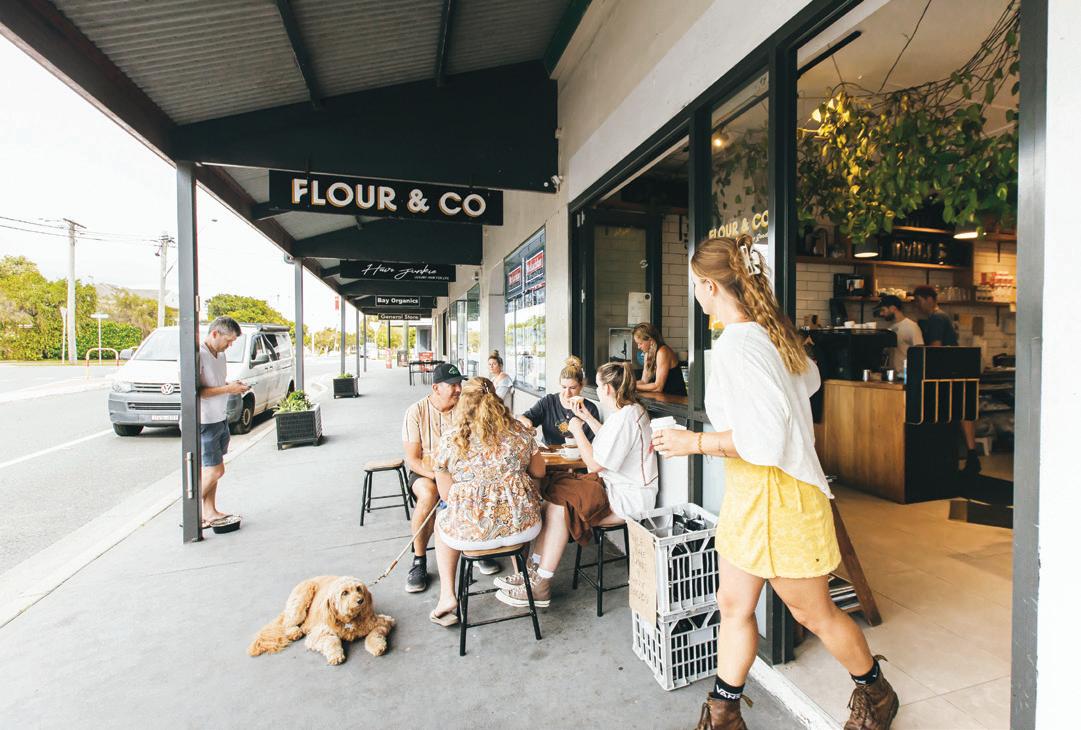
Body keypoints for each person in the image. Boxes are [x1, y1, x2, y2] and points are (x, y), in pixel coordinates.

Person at [651, 235, 897, 730]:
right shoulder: (767, 335)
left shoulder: (739, 346)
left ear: (709, 286)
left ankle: (877, 693)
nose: (696, 294)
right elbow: (810, 382)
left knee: (815, 614)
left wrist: (692, 442)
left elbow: (763, 441)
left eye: (695, 285)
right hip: (753, 496)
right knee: (733, 605)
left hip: (782, 497)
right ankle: (723, 714)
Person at [495, 362, 658, 609]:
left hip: (629, 498)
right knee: (553, 497)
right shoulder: (629, 412)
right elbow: (608, 439)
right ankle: (532, 571)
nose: (597, 390)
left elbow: (593, 465)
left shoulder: (626, 417)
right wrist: (587, 417)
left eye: (598, 385)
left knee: (560, 506)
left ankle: (542, 584)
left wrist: (576, 429)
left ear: (607, 389)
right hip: (615, 486)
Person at [428, 377, 546, 626]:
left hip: (471, 535)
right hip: (522, 529)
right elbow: (539, 472)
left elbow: (446, 496)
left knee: (442, 520)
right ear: (497, 400)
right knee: (522, 506)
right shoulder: (520, 432)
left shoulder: (451, 440)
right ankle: (520, 575)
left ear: (464, 403)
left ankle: (447, 596)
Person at [401, 362, 501, 592]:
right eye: (452, 385)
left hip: (461, 472)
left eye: (459, 384)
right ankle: (419, 560)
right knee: (428, 495)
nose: (458, 389)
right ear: (436, 387)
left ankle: (478, 547)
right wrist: (438, 477)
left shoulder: (464, 407)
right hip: (426, 471)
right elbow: (412, 459)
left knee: (481, 488)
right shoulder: (416, 411)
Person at [914, 285, 980, 475]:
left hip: (948, 369)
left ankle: (962, 458)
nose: (917, 305)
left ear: (929, 299)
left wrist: (919, 358)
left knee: (955, 412)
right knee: (963, 410)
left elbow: (936, 347)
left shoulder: (937, 318)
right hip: (956, 368)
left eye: (919, 301)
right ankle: (971, 456)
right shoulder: (940, 317)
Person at [197, 316, 249, 528]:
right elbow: (197, 392)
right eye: (228, 341)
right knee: (215, 470)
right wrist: (228, 389)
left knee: (213, 470)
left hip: (219, 417)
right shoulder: (198, 355)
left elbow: (215, 384)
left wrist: (231, 386)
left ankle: (210, 512)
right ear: (215, 333)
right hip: (203, 420)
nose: (230, 345)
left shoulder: (220, 355)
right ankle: (189, 512)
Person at [518, 356, 600, 445]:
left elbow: (595, 444)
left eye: (572, 388)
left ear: (581, 386)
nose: (567, 393)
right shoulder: (548, 402)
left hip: (577, 453)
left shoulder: (590, 409)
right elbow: (522, 418)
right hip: (550, 451)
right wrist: (526, 422)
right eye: (564, 387)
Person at [633, 322, 687, 396]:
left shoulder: (663, 352)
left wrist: (633, 387)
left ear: (650, 340)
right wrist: (626, 385)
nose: (638, 347)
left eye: (640, 343)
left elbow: (658, 387)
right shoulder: (647, 354)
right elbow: (644, 381)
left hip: (676, 399)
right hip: (662, 399)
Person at [874, 294, 923, 375]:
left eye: (883, 310)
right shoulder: (891, 328)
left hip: (906, 375)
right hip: (894, 375)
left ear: (893, 308)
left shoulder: (911, 326)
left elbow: (920, 352)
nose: (882, 314)